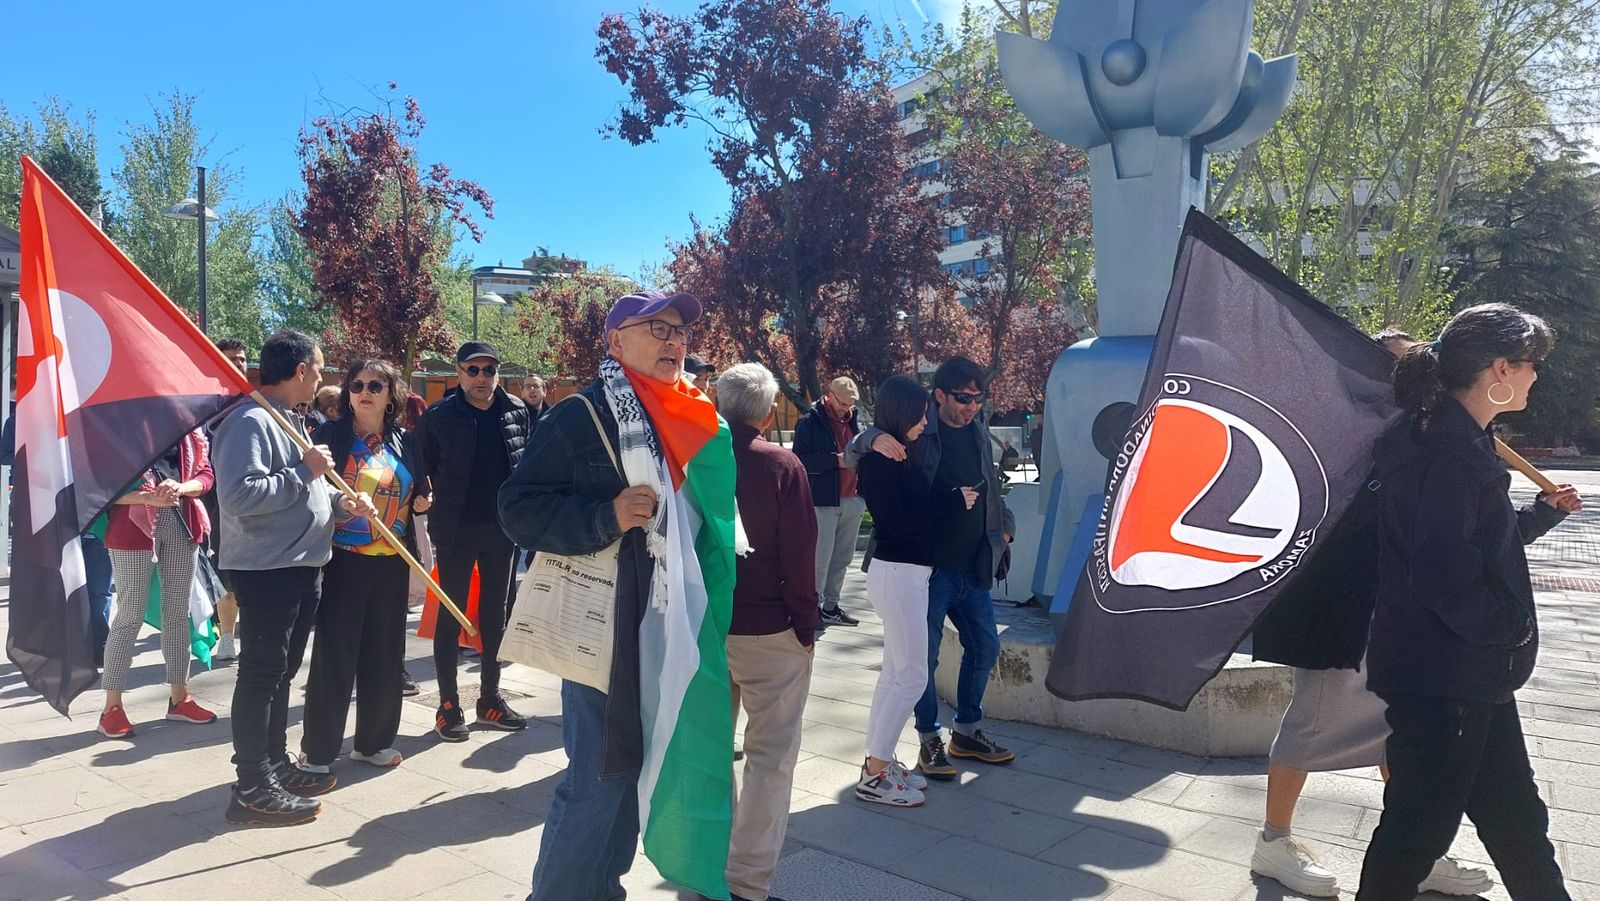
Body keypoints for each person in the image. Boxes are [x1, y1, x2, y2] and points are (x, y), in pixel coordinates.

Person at [1356, 303, 1583, 900]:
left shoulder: (1451, 439)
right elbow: (1442, 575)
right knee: (1416, 832)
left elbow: (1475, 542)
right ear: (1500, 369)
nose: (1538, 377)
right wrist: (1507, 628)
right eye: (1534, 365)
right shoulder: (1449, 454)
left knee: (1515, 822)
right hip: (1446, 676)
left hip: (1465, 673)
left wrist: (1539, 516)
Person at [500, 289, 715, 900]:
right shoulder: (581, 416)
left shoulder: (685, 416)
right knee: (600, 773)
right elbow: (516, 510)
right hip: (605, 626)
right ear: (616, 342)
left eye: (680, 331)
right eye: (659, 329)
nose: (675, 341)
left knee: (635, 768)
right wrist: (606, 516)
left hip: (668, 622)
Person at [213, 329, 377, 826]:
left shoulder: (289, 420)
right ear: (301, 370)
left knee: (281, 672)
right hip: (268, 569)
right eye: (321, 368)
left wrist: (336, 501)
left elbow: (304, 493)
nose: (324, 377)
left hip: (300, 564)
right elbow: (239, 496)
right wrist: (305, 473)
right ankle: (251, 786)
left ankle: (275, 764)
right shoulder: (248, 421)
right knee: (261, 675)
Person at [856, 356, 1017, 778]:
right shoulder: (918, 428)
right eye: (963, 398)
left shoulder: (979, 434)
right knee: (916, 665)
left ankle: (965, 732)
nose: (972, 407)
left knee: (984, 647)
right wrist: (872, 437)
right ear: (939, 395)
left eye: (978, 399)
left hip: (972, 565)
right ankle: (928, 740)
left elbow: (990, 488)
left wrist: (1005, 528)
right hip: (925, 569)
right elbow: (864, 442)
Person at [717, 363, 819, 901]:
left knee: (710, 753)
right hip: (768, 629)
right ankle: (746, 882)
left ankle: (708, 866)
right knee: (770, 758)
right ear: (768, 409)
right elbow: (799, 555)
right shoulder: (781, 464)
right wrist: (806, 623)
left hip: (708, 626)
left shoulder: (692, 460)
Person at [299, 361, 429, 775]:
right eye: (356, 385)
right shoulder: (329, 436)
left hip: (392, 561)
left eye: (375, 385)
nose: (364, 391)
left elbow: (419, 489)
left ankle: (372, 742)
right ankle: (318, 750)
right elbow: (309, 491)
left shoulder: (406, 440)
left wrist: (424, 501)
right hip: (343, 562)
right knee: (335, 655)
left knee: (386, 654)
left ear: (392, 393)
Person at [412, 341, 531, 740]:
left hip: (503, 530)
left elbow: (526, 463)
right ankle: (448, 707)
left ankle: (490, 699)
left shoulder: (516, 410)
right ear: (459, 372)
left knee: (495, 616)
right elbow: (418, 465)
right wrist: (420, 495)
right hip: (455, 530)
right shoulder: (440, 416)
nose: (482, 378)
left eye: (489, 370)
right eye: (473, 370)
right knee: (452, 615)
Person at [96, 428, 219, 738]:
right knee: (130, 614)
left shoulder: (188, 432)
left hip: (181, 523)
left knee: (178, 612)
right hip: (131, 528)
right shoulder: (120, 431)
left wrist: (181, 487)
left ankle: (180, 697)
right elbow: (101, 488)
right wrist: (148, 497)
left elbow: (206, 475)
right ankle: (111, 708)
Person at [853, 374, 937, 808]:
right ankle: (875, 772)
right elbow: (900, 522)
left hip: (906, 573)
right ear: (903, 412)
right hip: (898, 572)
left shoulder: (895, 454)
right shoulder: (882, 460)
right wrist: (945, 504)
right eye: (921, 412)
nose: (926, 420)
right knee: (912, 676)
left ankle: (878, 762)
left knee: (894, 674)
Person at [792, 376, 865, 629]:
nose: (847, 409)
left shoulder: (853, 419)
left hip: (852, 498)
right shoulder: (809, 423)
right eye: (843, 403)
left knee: (843, 558)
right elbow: (800, 461)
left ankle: (831, 607)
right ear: (829, 396)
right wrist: (835, 460)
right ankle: (812, 610)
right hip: (823, 500)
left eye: (850, 405)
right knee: (819, 560)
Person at [209, 337, 249, 661]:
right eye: (231, 359)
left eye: (242, 359)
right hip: (217, 502)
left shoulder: (255, 402)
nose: (238, 363)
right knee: (225, 574)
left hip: (254, 500)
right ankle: (226, 635)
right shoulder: (206, 405)